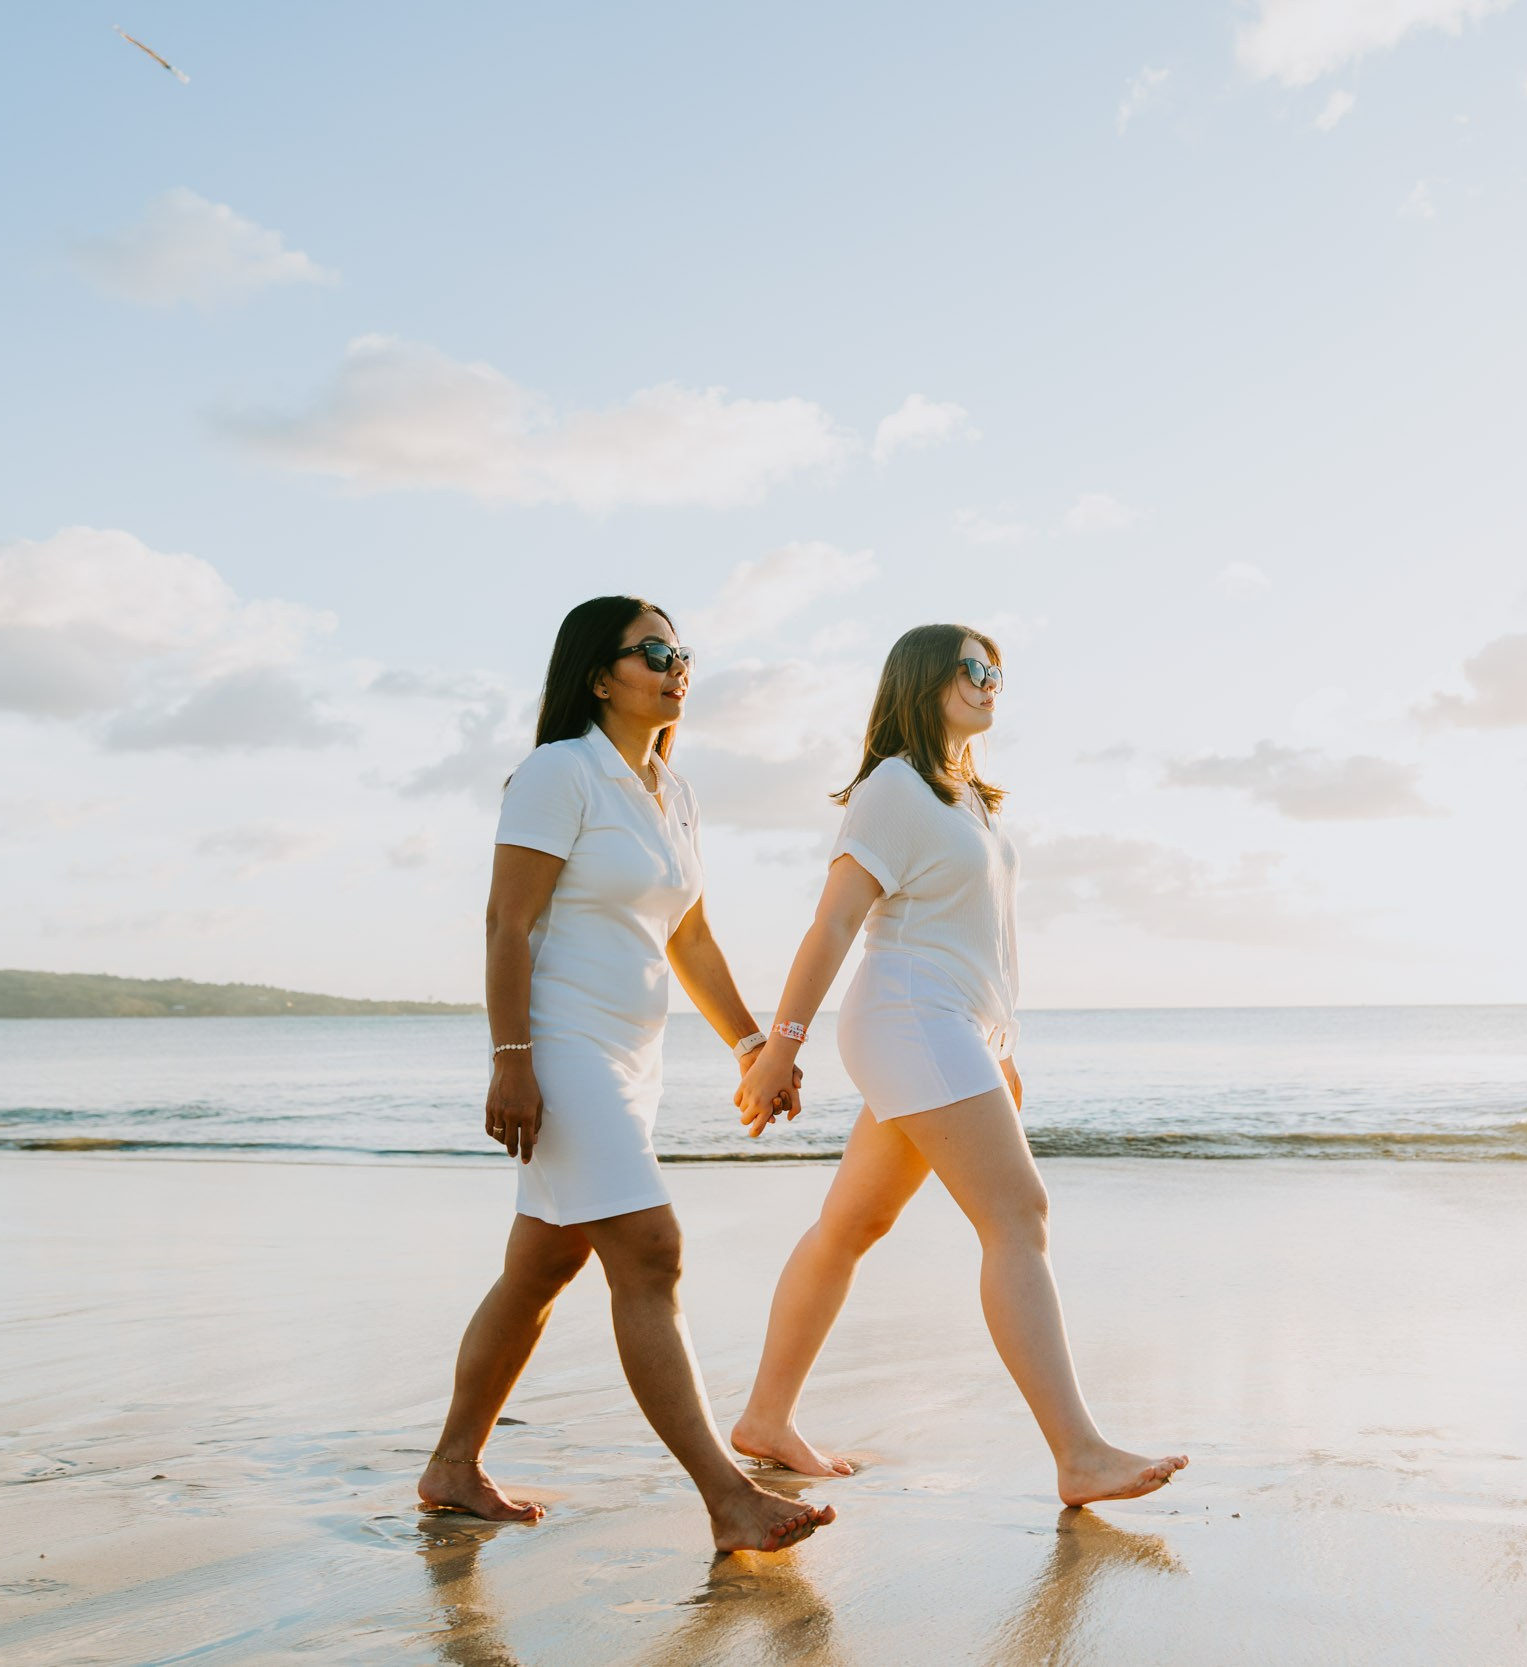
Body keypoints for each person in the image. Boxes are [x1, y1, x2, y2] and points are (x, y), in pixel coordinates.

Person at [727, 623, 1188, 1506]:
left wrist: (999, 1049)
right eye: (971, 668)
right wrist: (779, 1048)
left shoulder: (968, 796)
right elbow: (834, 922)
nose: (988, 683)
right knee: (1018, 1212)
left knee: (849, 1226)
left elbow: (980, 940)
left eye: (996, 672)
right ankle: (1079, 1453)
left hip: (947, 1028)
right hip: (911, 1017)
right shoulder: (894, 787)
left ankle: (764, 1418)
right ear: (923, 678)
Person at [417, 595, 833, 1554]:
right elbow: (507, 923)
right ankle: (728, 1497)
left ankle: (452, 1464)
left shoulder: (671, 789)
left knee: (541, 1265)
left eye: (682, 652)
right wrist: (511, 1061)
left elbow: (692, 934)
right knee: (651, 1251)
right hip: (559, 1046)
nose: (676, 666)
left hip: (633, 1057)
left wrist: (751, 1046)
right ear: (600, 675)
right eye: (652, 651)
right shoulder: (559, 772)